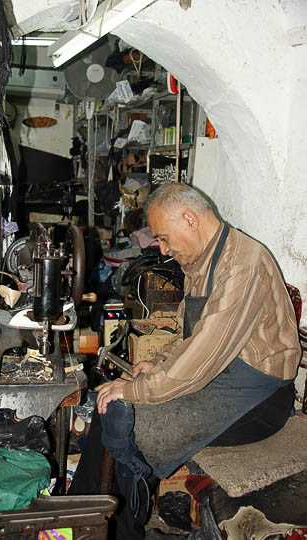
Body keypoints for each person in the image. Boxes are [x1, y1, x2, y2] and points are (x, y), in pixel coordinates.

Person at [69, 183, 301, 540]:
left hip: (261, 396)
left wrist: (137, 389)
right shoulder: (202, 260)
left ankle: (116, 531)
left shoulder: (242, 265)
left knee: (129, 421)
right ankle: (79, 517)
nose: (163, 249)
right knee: (110, 410)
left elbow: (204, 353)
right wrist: (157, 363)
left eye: (163, 238)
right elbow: (189, 338)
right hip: (223, 373)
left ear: (189, 219)